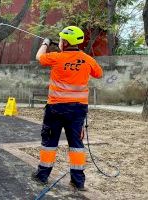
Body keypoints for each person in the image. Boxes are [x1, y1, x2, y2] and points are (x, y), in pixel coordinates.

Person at [32, 26, 103, 191]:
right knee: (76, 145)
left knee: (49, 142)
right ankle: (78, 182)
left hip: (55, 109)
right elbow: (99, 74)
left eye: (62, 40)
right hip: (78, 111)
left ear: (64, 41)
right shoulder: (86, 59)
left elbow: (39, 57)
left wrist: (46, 42)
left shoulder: (56, 57)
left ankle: (42, 176)